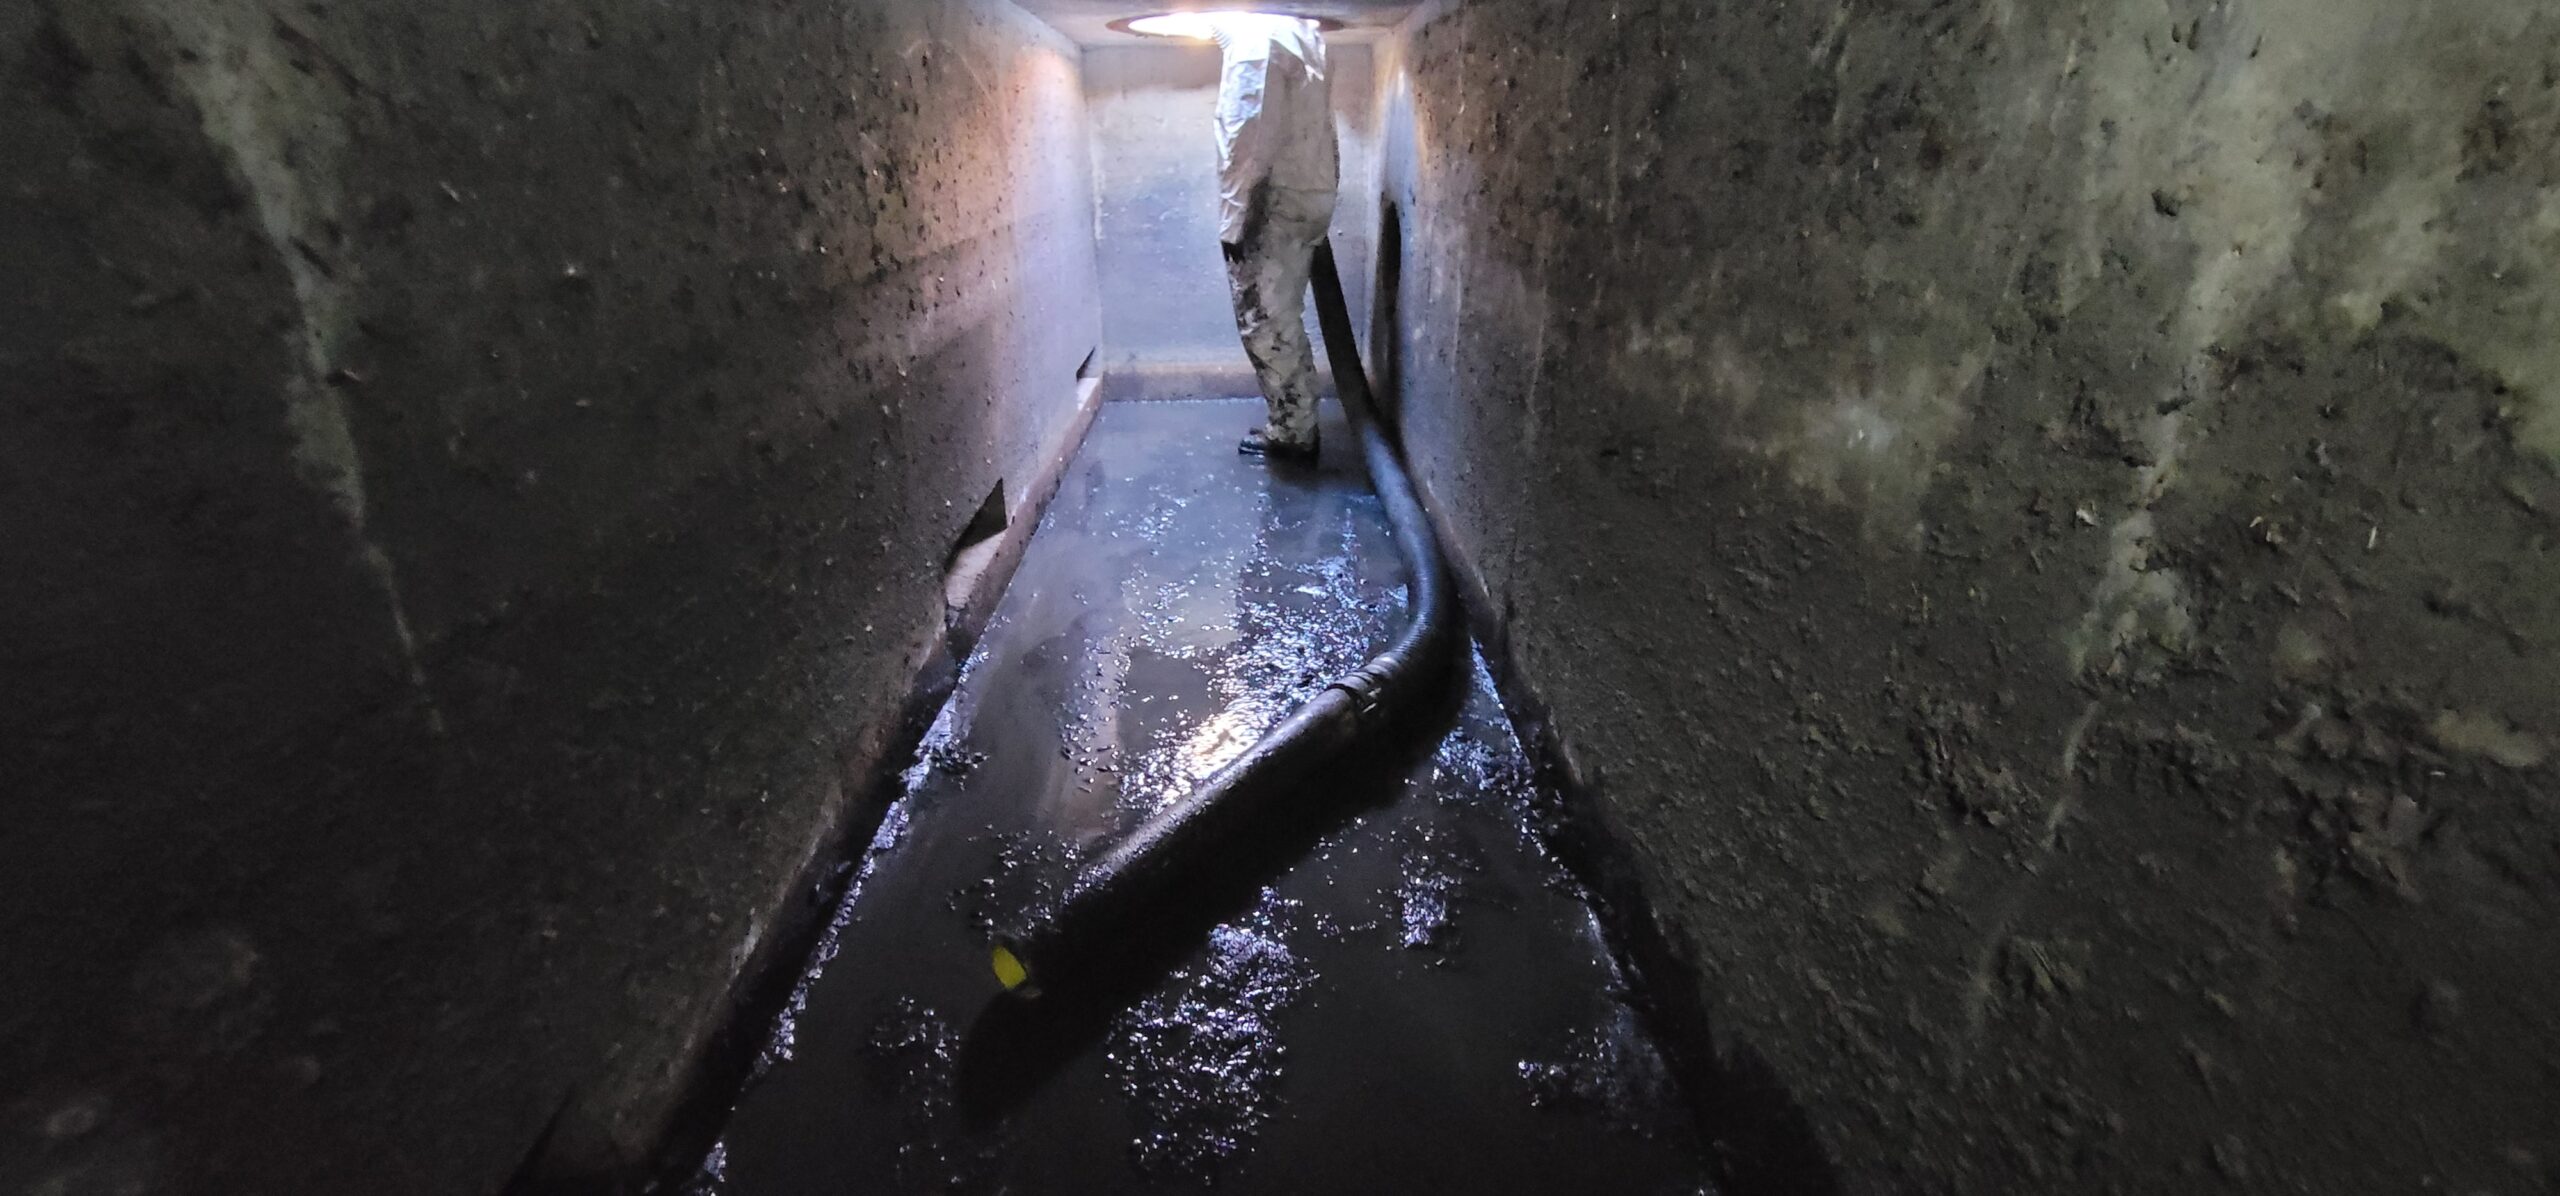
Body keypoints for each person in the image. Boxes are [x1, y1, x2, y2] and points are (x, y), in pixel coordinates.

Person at [1205, 14, 1337, 461]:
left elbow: (1248, 139)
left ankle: (1293, 434)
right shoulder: (1299, 35)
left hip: (1272, 201)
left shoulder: (1253, 45)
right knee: (1282, 314)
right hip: (1305, 190)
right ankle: (1296, 422)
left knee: (1264, 319)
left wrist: (1235, 220)